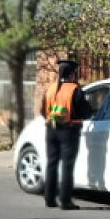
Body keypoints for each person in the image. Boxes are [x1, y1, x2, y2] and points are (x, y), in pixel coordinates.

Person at [40, 59, 94, 210]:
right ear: (71, 74)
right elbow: (86, 112)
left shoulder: (50, 89)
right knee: (67, 166)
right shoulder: (74, 90)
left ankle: (49, 199)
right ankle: (65, 201)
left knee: (51, 163)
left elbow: (43, 112)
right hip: (69, 131)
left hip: (51, 129)